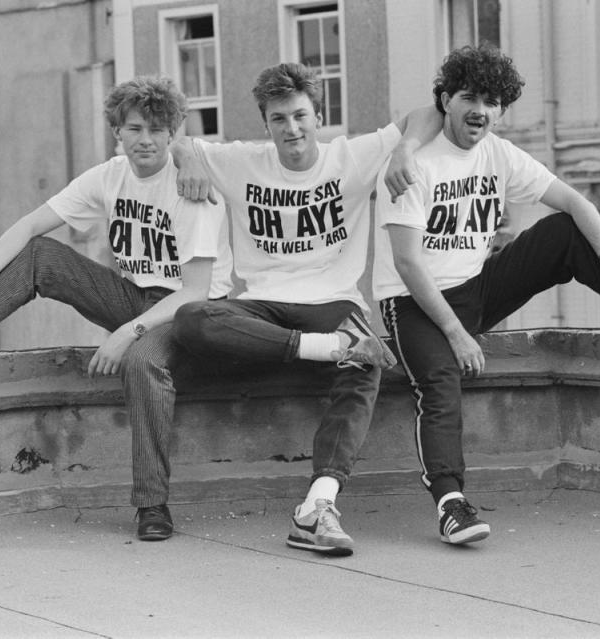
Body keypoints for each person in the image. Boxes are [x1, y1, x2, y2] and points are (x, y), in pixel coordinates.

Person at [0, 76, 233, 543]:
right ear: (118, 132)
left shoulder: (189, 188)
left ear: (173, 133)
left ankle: (152, 504)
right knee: (41, 255)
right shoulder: (108, 175)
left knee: (141, 360)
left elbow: (193, 291)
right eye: (134, 129)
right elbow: (31, 223)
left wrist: (127, 332)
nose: (145, 140)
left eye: (156, 130)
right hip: (138, 299)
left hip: (191, 315)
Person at [374, 44, 600, 547]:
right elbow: (407, 263)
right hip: (413, 302)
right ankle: (451, 502)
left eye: (493, 102)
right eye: (470, 97)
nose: (481, 111)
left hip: (475, 287)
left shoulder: (497, 152)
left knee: (561, 230)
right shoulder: (412, 164)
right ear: (446, 100)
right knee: (439, 381)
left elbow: (575, 201)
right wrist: (456, 332)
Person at [170, 62, 443, 557]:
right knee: (193, 317)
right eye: (279, 119)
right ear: (266, 123)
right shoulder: (243, 161)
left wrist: (404, 148)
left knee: (365, 358)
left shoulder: (352, 156)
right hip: (262, 307)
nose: (291, 129)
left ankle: (318, 505)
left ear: (319, 115)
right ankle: (323, 349)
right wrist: (184, 155)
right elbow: (183, 140)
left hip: (333, 302)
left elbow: (428, 113)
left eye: (300, 116)